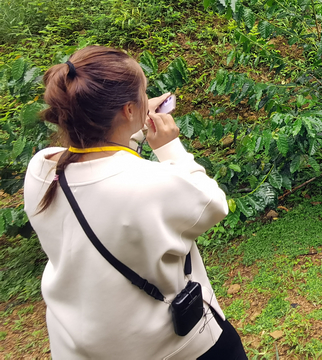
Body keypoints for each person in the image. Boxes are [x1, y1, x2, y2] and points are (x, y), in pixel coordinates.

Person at [24, 46, 246, 360]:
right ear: (128, 109)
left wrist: (132, 125)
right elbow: (212, 202)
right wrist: (169, 147)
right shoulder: (150, 184)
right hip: (172, 349)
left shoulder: (42, 169)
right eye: (142, 94)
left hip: (81, 348)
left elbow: (99, 157)